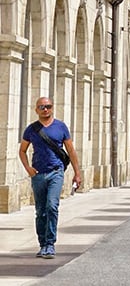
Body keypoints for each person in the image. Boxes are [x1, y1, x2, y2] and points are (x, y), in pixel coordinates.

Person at [18, 97, 82, 258]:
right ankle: (42, 244)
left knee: (52, 206)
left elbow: (71, 151)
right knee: (41, 211)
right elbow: (22, 151)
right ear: (36, 110)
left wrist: (77, 173)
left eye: (48, 106)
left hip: (56, 172)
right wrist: (28, 168)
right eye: (41, 107)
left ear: (52, 108)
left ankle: (50, 244)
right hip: (38, 174)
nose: (45, 109)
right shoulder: (31, 129)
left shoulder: (61, 127)